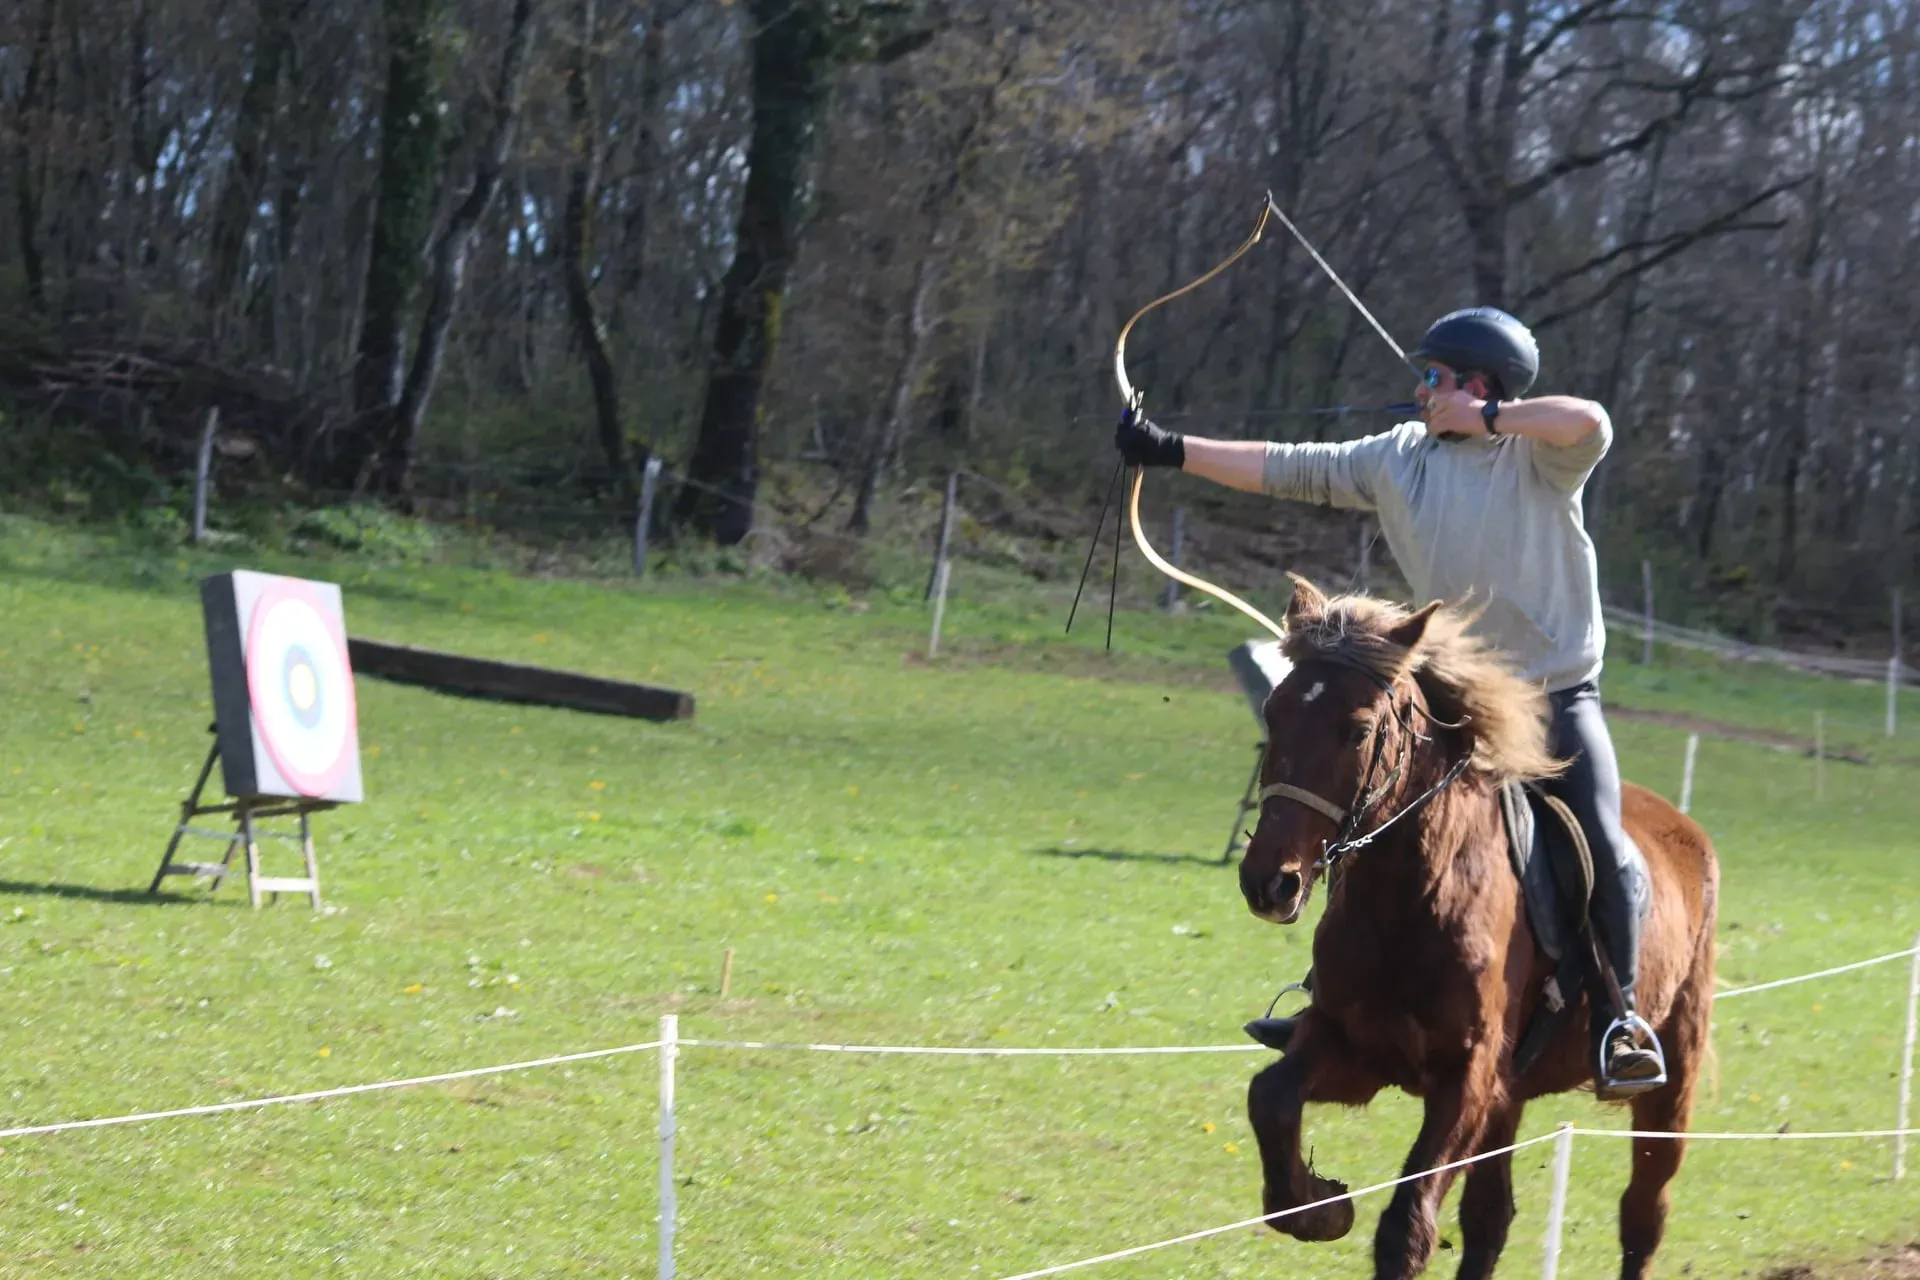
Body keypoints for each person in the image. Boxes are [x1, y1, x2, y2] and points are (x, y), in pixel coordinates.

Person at [1116, 306, 1663, 1093]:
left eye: (1435, 379)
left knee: (1601, 840)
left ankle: (1621, 1018)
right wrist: (1167, 451)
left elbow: (1590, 420)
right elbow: (1286, 466)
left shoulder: (1538, 460)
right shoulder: (1396, 457)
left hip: (1554, 697)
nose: (1419, 391)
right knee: (1365, 816)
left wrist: (1492, 418)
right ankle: (1330, 999)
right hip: (1451, 696)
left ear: (1478, 385)